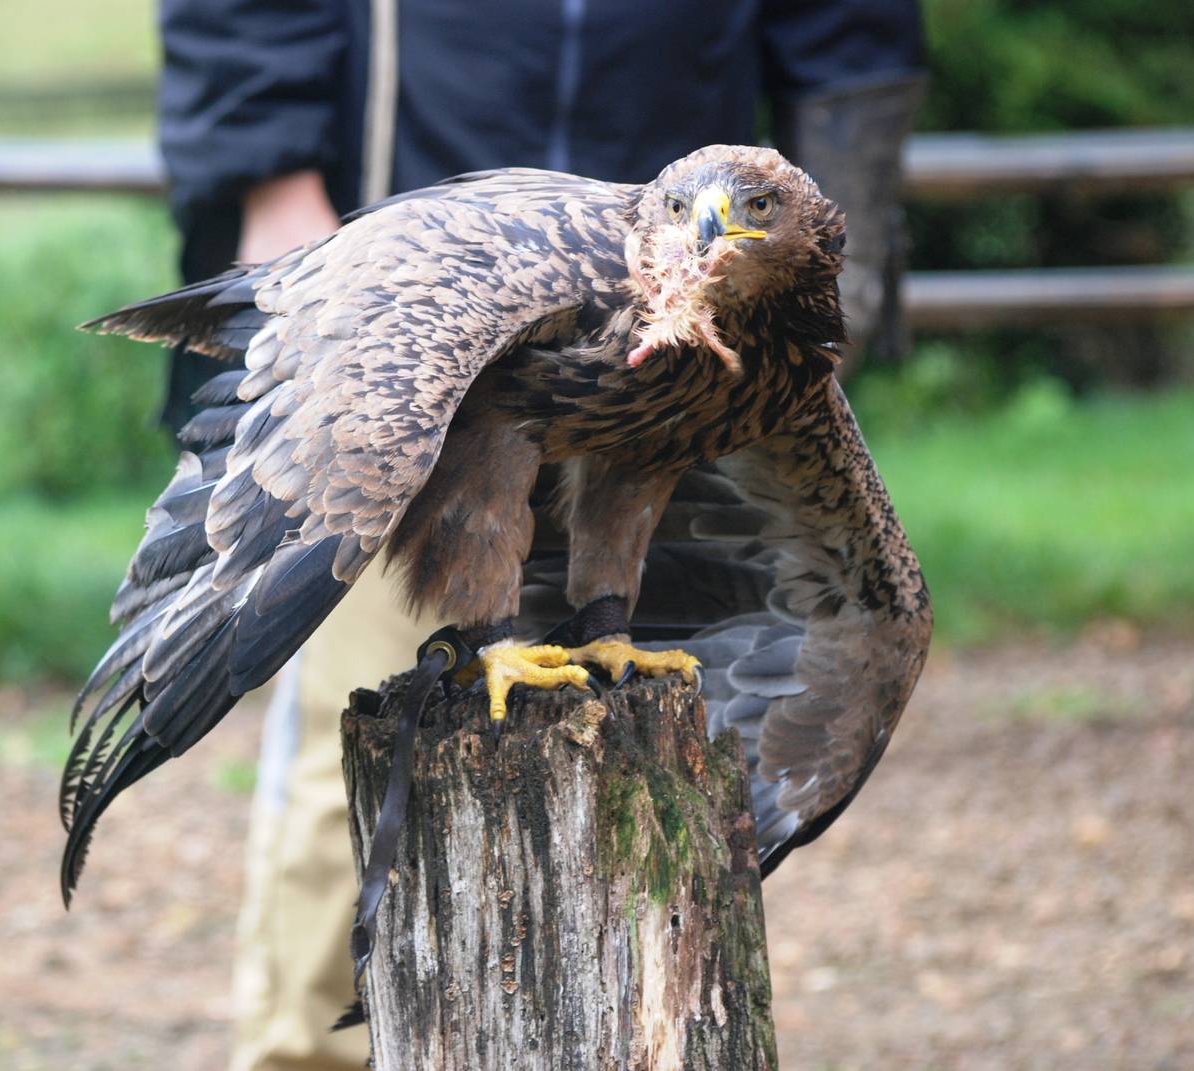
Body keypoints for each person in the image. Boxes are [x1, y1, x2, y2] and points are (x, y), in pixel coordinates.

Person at [154, 3, 924, 1068]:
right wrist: (271, 181)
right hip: (400, 308)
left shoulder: (730, 234)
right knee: (347, 756)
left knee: (796, 668)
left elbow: (848, 36)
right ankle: (313, 1052)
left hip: (670, 280)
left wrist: (833, 265)